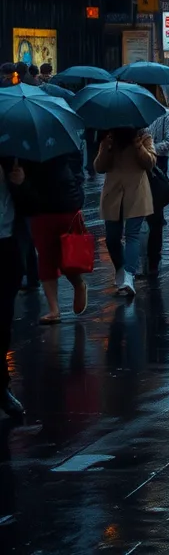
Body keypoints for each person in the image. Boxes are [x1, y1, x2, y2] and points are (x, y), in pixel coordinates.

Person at [6, 152, 88, 323]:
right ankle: (54, 309)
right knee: (45, 257)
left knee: (67, 257)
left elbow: (76, 166)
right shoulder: (22, 149)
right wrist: (21, 183)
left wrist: (77, 191)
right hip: (38, 207)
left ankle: (79, 284)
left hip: (66, 204)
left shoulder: (63, 144)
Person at [96, 127, 156, 299]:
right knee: (112, 238)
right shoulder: (109, 138)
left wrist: (138, 146)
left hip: (136, 192)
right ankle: (121, 270)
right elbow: (99, 167)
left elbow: (150, 163)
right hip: (113, 194)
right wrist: (106, 147)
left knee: (132, 235)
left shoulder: (144, 136)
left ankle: (129, 275)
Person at [0, 163, 24, 417]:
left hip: (6, 247)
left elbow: (32, 205)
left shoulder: (12, 161)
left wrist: (22, 185)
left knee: (3, 322)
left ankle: (2, 388)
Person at [145, 87, 169, 276]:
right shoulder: (135, 115)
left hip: (157, 164)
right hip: (137, 167)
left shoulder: (166, 114)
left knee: (155, 212)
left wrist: (149, 149)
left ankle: (154, 258)